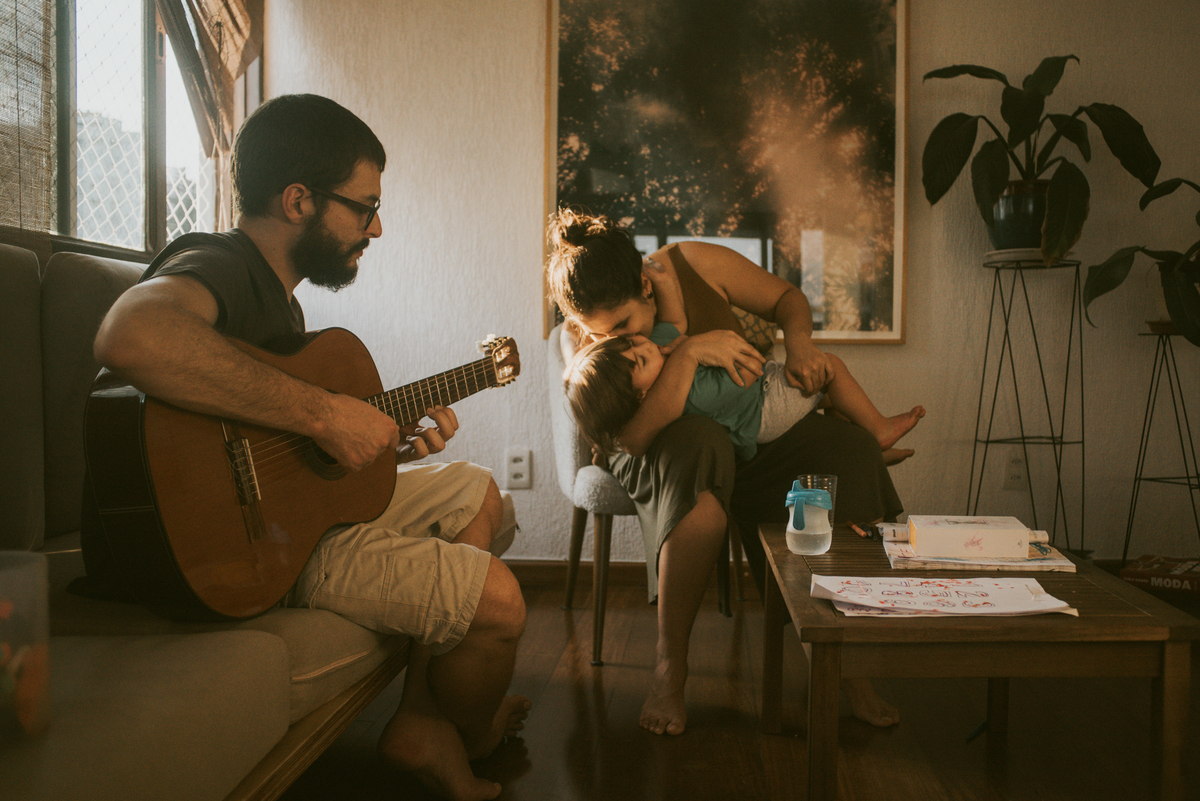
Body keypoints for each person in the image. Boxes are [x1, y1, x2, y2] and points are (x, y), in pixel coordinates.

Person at [88, 94, 527, 801]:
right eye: (365, 207)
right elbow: (130, 335)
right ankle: (473, 732)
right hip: (247, 547)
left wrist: (376, 449)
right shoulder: (219, 262)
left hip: (288, 517)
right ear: (298, 200)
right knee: (501, 601)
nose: (376, 227)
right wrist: (325, 415)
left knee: (477, 490)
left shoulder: (280, 303)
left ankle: (422, 716)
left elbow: (280, 444)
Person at [545, 208, 905, 735]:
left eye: (622, 326)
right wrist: (689, 352)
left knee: (844, 448)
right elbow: (630, 438)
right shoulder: (585, 334)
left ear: (645, 285)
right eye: (601, 334)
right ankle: (670, 666)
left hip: (744, 422)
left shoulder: (689, 263)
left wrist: (800, 346)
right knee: (702, 444)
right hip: (662, 446)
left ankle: (843, 659)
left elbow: (787, 299)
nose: (615, 341)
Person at [563, 255, 925, 461]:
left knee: (830, 398)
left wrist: (667, 284)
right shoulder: (688, 392)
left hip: (759, 391)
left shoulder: (651, 349)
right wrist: (720, 349)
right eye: (639, 358)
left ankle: (867, 445)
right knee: (829, 369)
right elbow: (745, 376)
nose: (641, 345)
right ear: (641, 395)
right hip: (763, 411)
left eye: (630, 339)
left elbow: (674, 323)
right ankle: (877, 429)